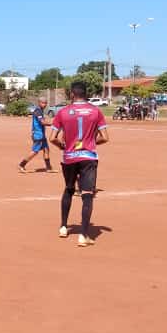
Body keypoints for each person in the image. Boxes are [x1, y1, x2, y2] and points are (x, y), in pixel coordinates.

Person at [50, 81, 110, 247]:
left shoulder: (62, 112)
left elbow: (52, 138)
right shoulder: (95, 111)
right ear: (86, 93)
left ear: (72, 94)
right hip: (88, 157)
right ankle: (83, 235)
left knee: (69, 189)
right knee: (87, 195)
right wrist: (90, 143)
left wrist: (63, 146)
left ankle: (63, 226)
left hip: (69, 157)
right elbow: (105, 137)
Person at [18, 97, 53, 173]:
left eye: (46, 103)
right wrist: (52, 124)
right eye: (43, 103)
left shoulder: (40, 111)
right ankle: (21, 165)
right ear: (39, 103)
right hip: (38, 135)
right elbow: (42, 122)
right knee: (35, 151)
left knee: (46, 150)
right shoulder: (38, 111)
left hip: (42, 135)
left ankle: (48, 168)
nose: (45, 104)